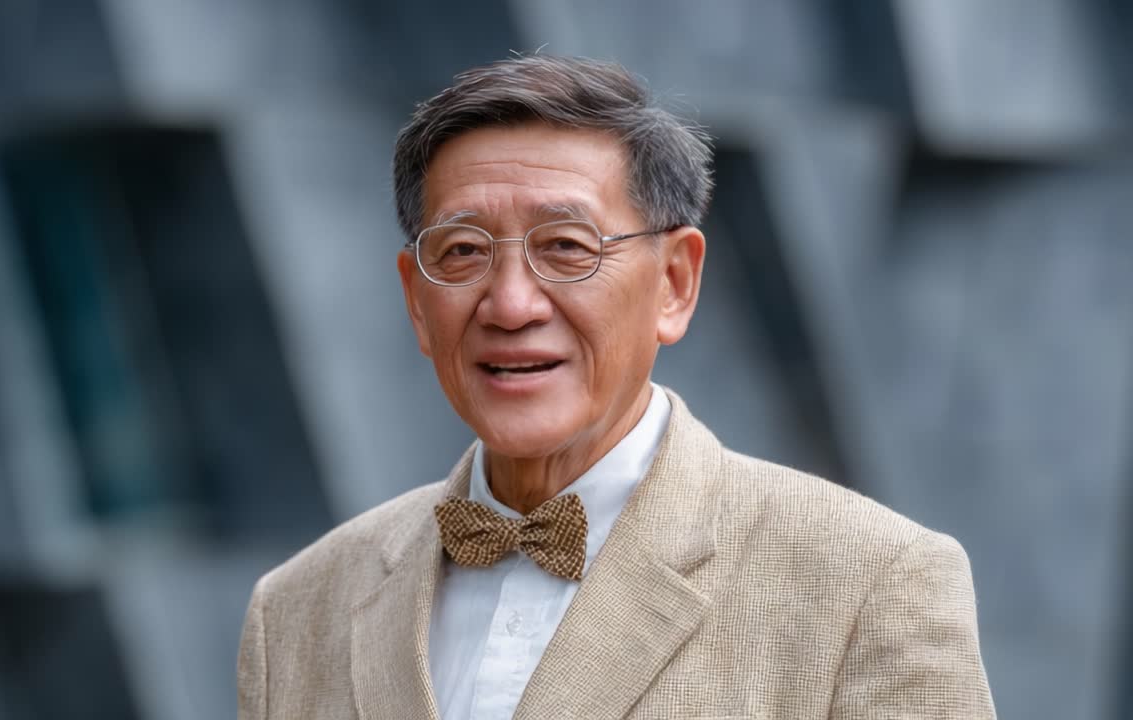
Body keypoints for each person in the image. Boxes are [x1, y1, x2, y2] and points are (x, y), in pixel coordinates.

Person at [237, 55, 996, 720]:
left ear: (674, 282)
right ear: (416, 300)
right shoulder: (299, 609)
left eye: (566, 248)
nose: (510, 305)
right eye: (463, 251)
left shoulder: (868, 581)